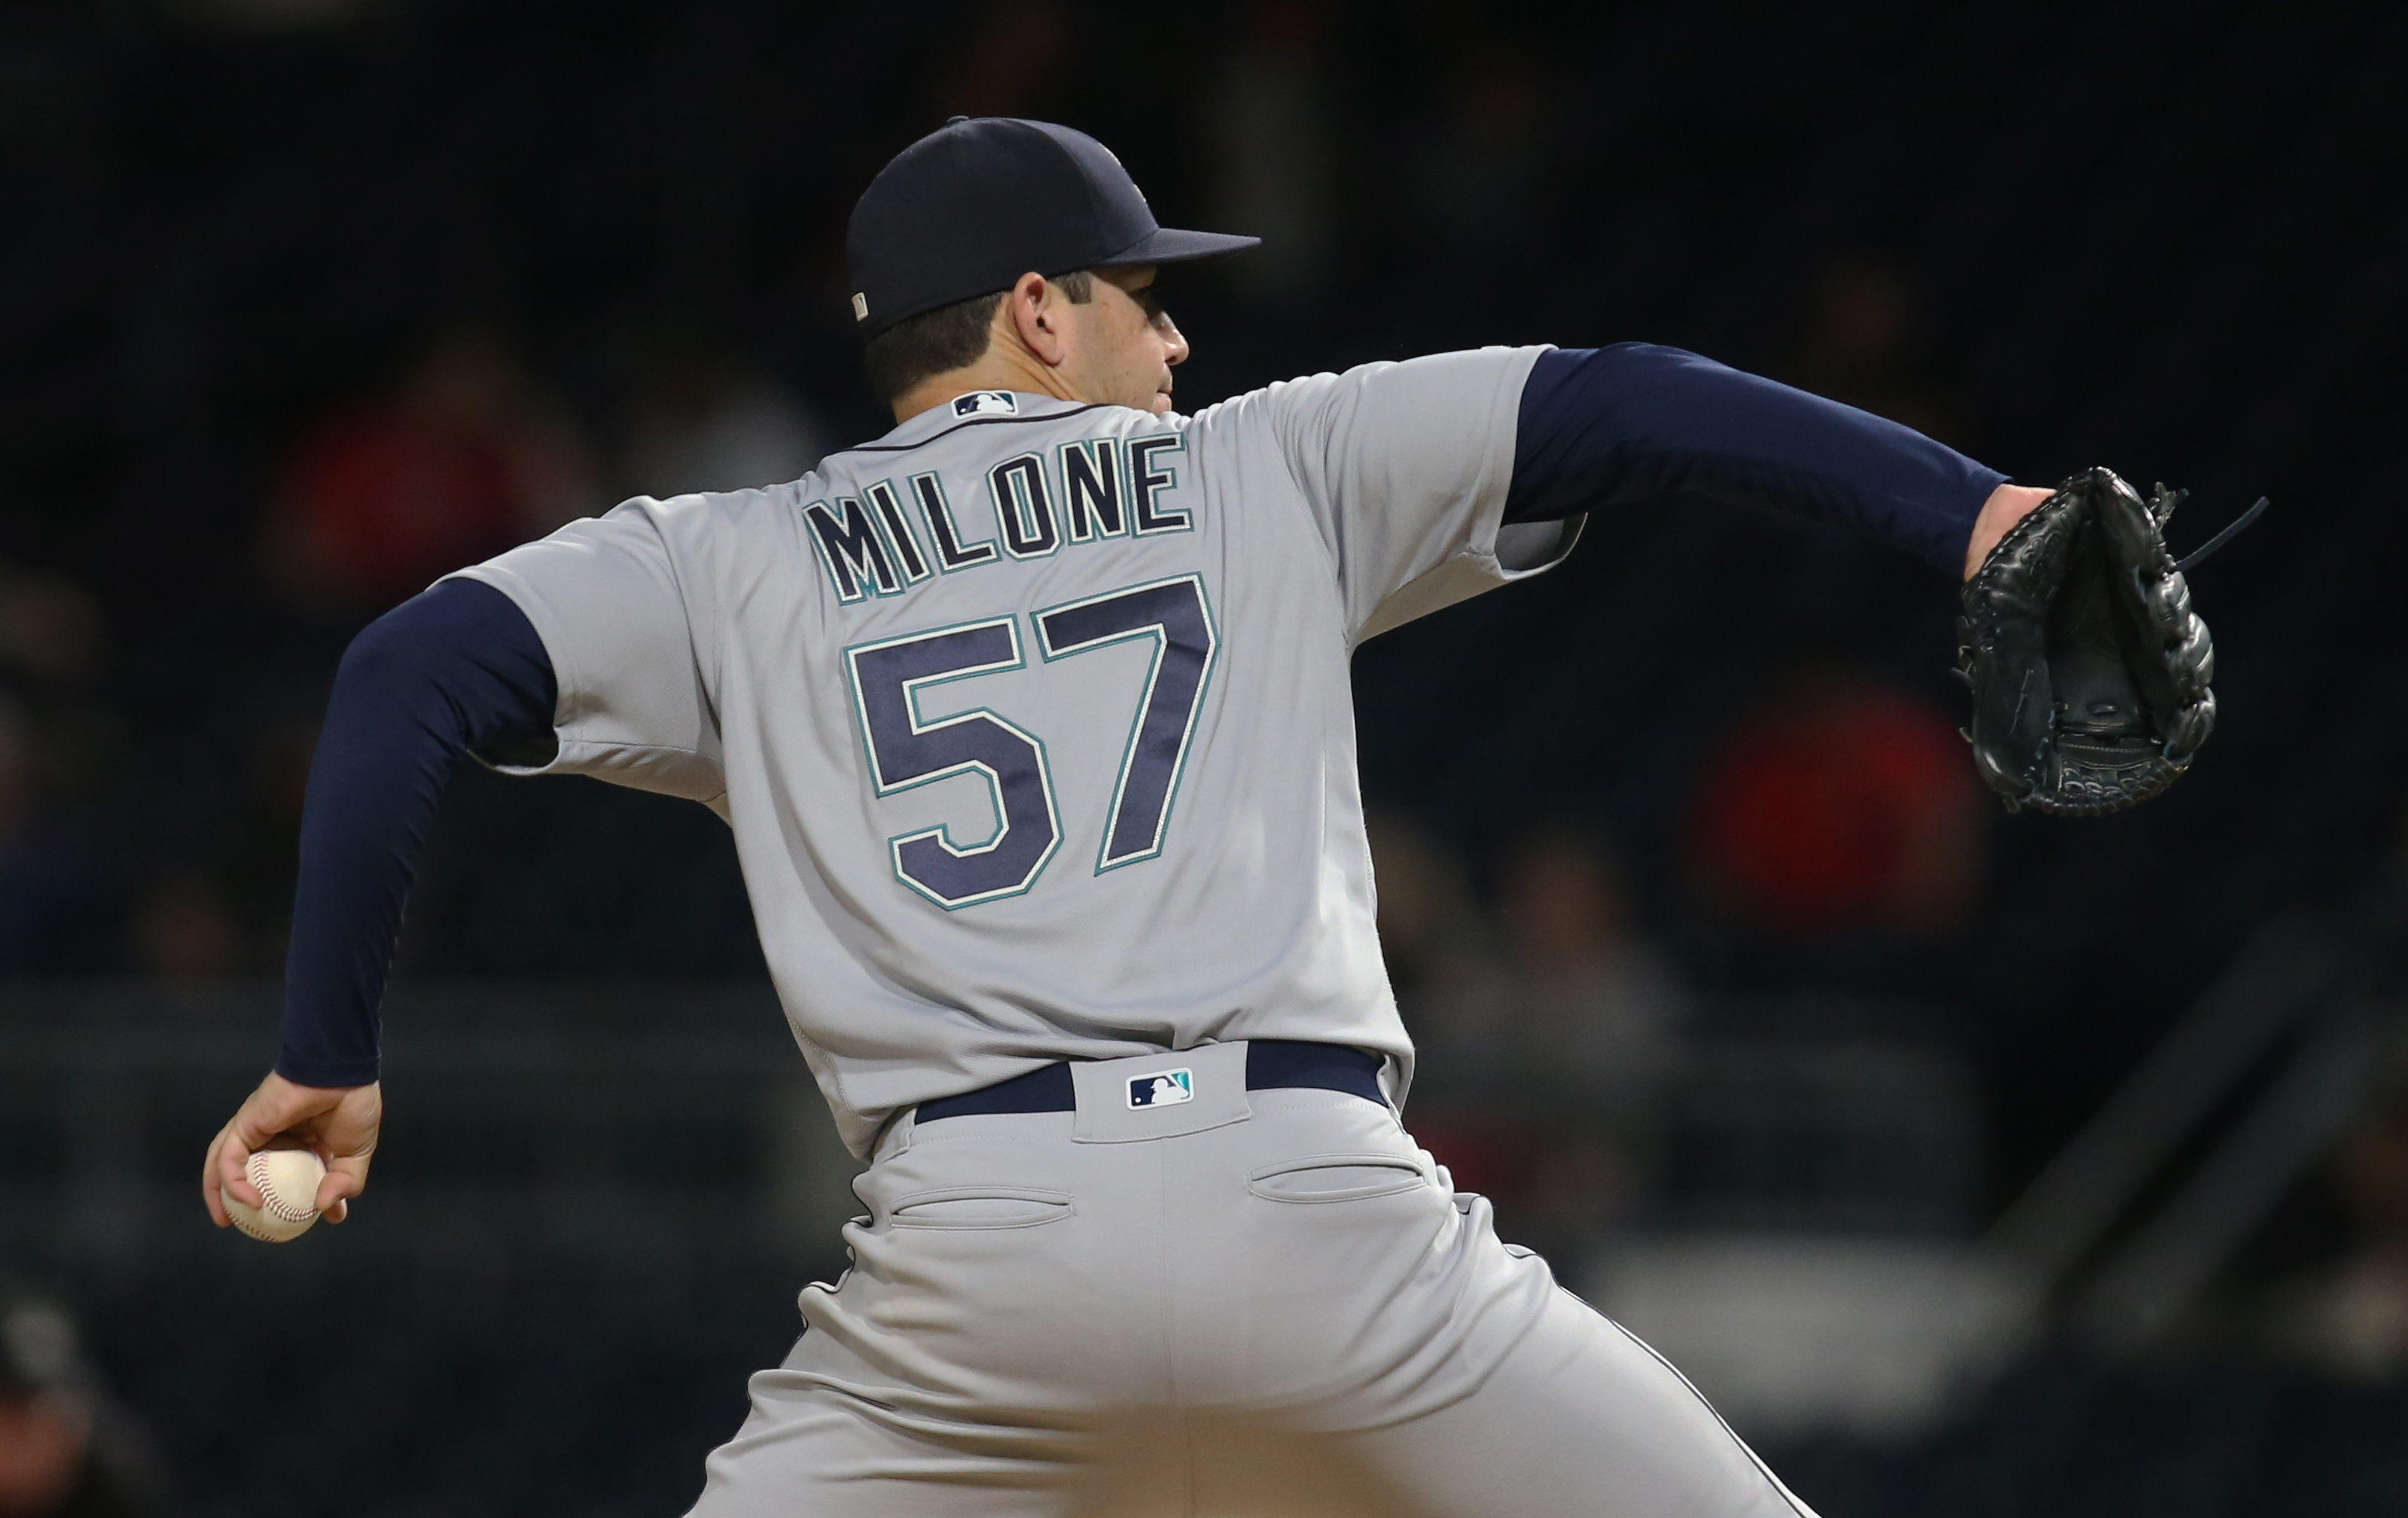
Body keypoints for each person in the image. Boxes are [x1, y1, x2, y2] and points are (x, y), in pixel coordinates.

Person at [202, 117, 2062, 1515]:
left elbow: (400, 681)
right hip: (1319, 1219)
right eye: (1148, 298)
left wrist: (327, 1056)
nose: (1175, 346)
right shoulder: (1269, 464)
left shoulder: (728, 560)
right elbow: (1640, 400)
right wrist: (1981, 515)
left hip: (969, 1265)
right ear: (1038, 307)